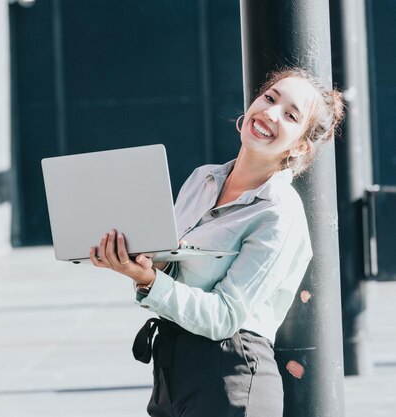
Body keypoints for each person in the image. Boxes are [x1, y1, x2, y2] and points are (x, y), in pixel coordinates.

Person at [88, 68, 345, 417]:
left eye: (290, 115)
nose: (270, 113)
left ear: (299, 145)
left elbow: (225, 315)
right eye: (270, 98)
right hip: (172, 369)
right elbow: (184, 272)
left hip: (230, 376)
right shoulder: (202, 179)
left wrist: (150, 281)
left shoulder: (278, 213)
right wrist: (149, 265)